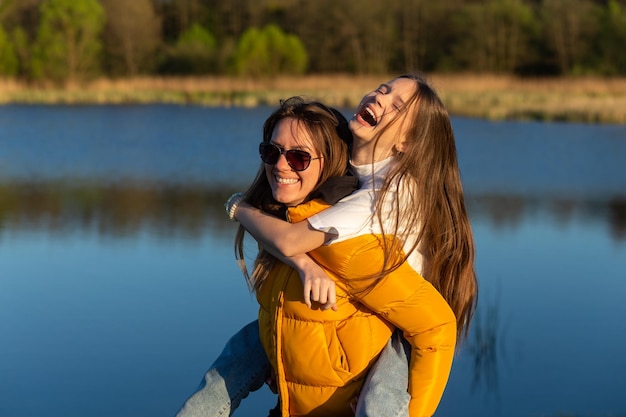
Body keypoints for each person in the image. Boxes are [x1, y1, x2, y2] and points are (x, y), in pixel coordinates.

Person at [177, 74, 478, 417]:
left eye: (396, 106)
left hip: (399, 327)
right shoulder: (354, 169)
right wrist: (304, 266)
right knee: (244, 350)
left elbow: (291, 240)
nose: (380, 99)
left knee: (379, 402)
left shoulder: (384, 196)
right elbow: (296, 242)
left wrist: (239, 207)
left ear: (406, 142)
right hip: (358, 313)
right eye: (382, 89)